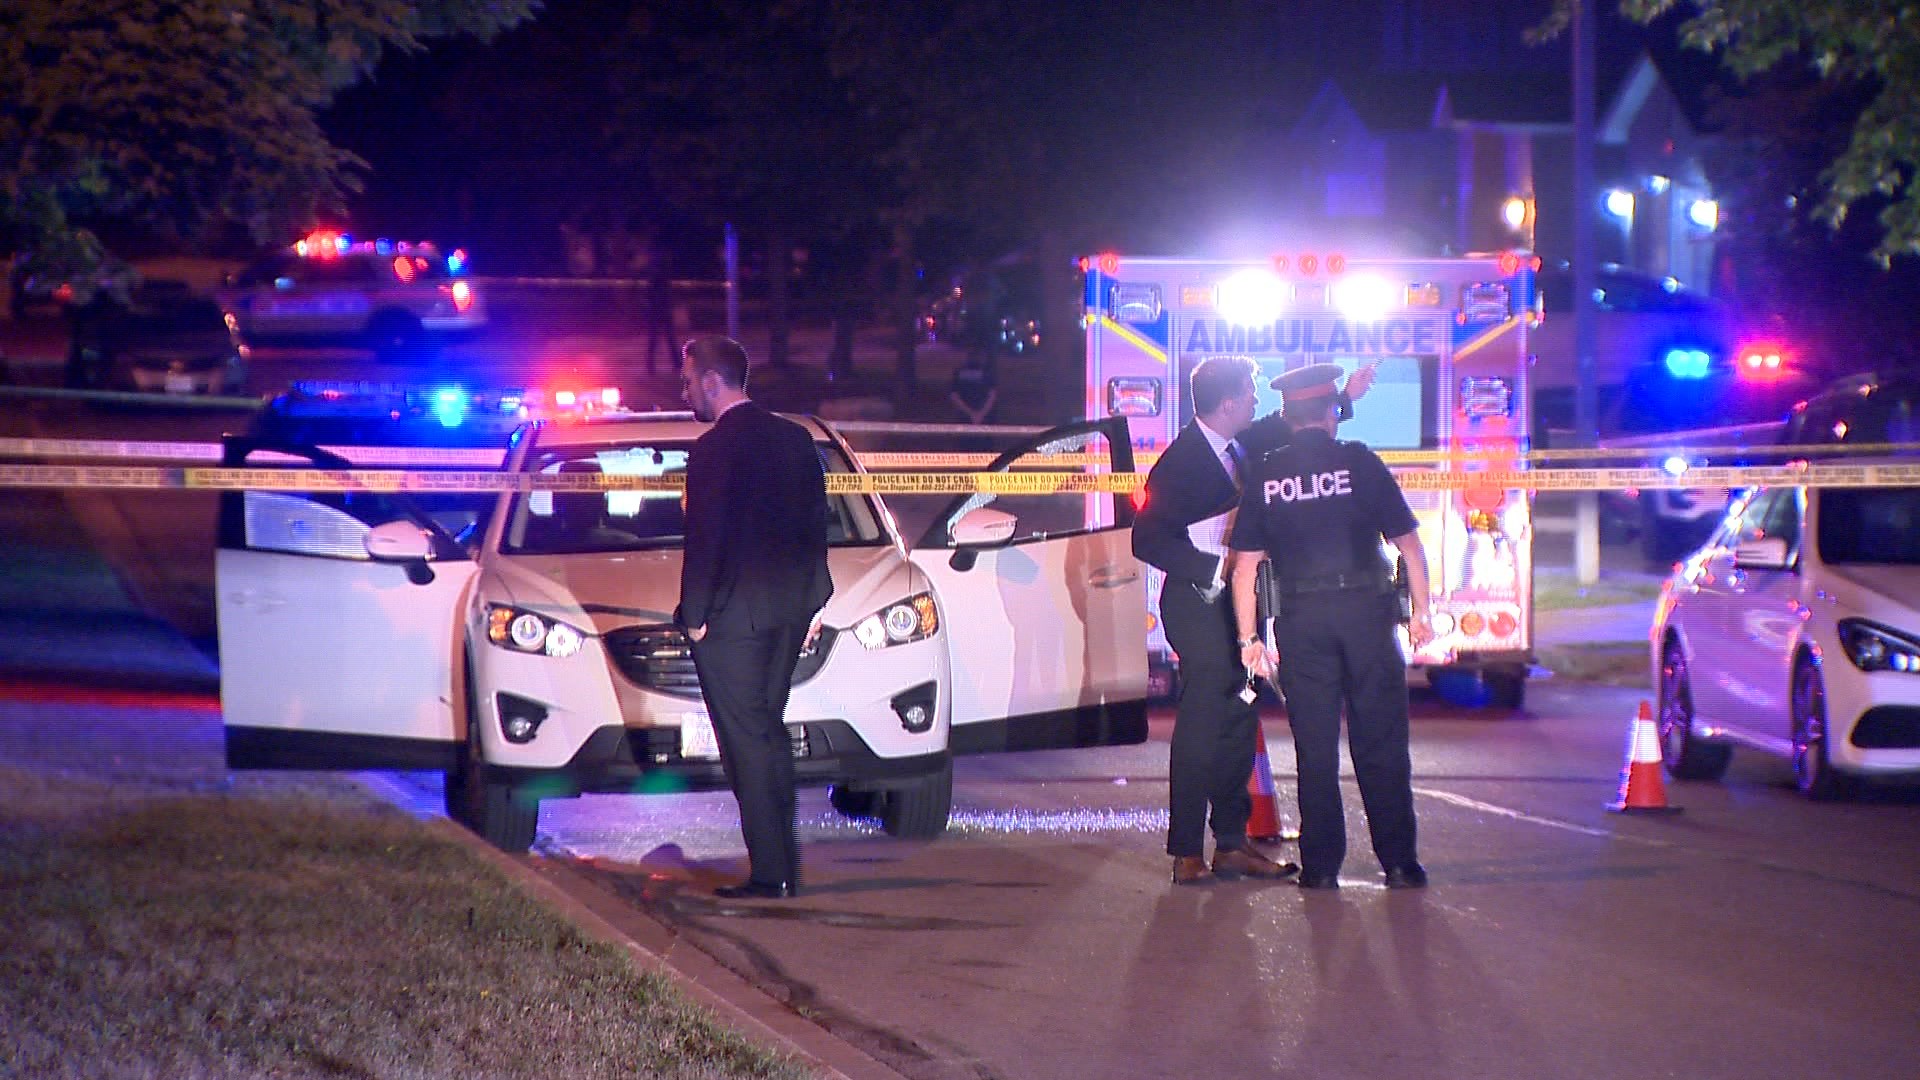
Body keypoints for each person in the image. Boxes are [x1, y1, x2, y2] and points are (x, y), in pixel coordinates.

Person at [1228, 363, 1434, 891]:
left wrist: (1250, 640)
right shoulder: (1359, 462)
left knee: (1314, 748)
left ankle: (1321, 868)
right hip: (1367, 617)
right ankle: (1400, 864)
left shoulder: (1267, 474)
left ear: (1287, 417)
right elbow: (1410, 546)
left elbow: (1245, 567)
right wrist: (1422, 613)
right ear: (1330, 415)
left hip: (1302, 623)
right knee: (1382, 742)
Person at [1131, 355, 1304, 886]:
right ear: (1227, 403)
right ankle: (1186, 851)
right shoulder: (1180, 462)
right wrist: (1214, 569)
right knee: (1204, 722)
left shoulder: (1239, 445)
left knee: (1239, 719)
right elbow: (1147, 539)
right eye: (1249, 392)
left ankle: (1231, 843)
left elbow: (1283, 422)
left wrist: (1344, 400)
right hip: (1196, 602)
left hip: (1241, 604)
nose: (1255, 399)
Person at [677, 335, 833, 900]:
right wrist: (814, 599)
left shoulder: (713, 450)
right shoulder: (795, 440)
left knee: (747, 741)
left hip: (733, 622)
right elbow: (817, 522)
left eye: (688, 381)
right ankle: (780, 863)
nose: (685, 392)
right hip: (788, 610)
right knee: (766, 732)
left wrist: (695, 615)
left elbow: (706, 539)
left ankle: (771, 871)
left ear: (712, 381)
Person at [947, 349, 999, 448]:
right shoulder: (988, 373)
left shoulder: (959, 372)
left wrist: (972, 414)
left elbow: (954, 395)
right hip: (979, 419)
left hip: (968, 418)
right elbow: (992, 395)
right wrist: (979, 415)